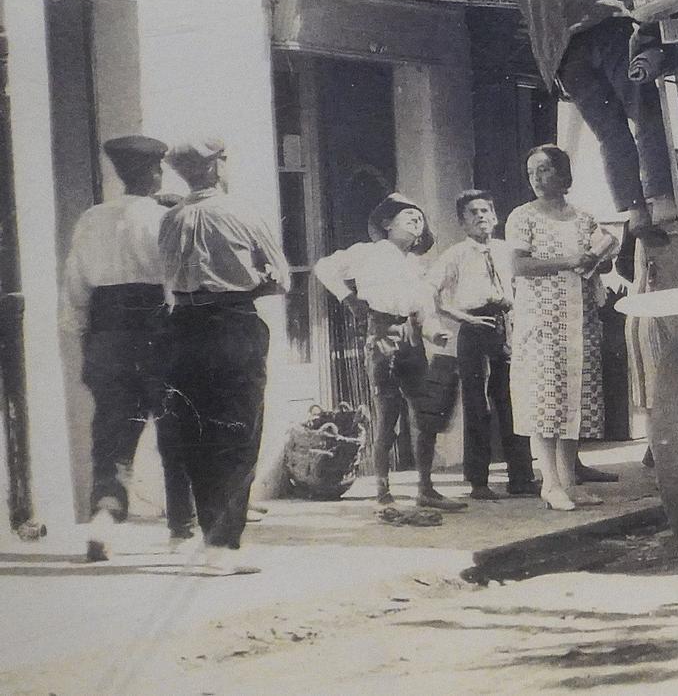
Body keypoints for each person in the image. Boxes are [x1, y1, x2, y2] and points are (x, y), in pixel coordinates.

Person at [494, 0, 678, 236]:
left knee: (610, 133)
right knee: (645, 110)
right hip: (603, 29)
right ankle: (663, 198)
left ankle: (635, 211)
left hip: (562, 57)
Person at [62, 135, 195, 560]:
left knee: (112, 431)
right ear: (155, 172)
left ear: (119, 174)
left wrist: (87, 336)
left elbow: (75, 289)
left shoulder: (91, 219)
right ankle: (181, 530)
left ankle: (104, 517)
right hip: (159, 325)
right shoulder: (167, 218)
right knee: (175, 427)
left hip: (107, 331)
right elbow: (180, 279)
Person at [156, 137, 288, 560]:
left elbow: (168, 275)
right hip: (234, 324)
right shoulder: (242, 213)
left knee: (195, 433)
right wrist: (252, 281)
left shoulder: (171, 218)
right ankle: (223, 544)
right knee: (238, 433)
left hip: (184, 326)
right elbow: (283, 280)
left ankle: (208, 531)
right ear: (215, 167)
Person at [314, 195, 464, 513]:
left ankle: (426, 487)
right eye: (407, 215)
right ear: (387, 224)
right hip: (381, 336)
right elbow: (323, 267)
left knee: (425, 415)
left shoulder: (416, 265)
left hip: (412, 338)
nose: (416, 221)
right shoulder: (368, 253)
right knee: (388, 415)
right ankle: (382, 489)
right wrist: (349, 299)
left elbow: (423, 308)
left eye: (420, 218)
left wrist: (433, 331)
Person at [508, 146, 617, 511]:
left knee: (576, 399)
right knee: (546, 401)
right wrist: (570, 260)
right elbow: (520, 266)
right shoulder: (522, 217)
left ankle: (569, 483)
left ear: (563, 175)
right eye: (531, 172)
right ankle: (549, 483)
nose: (537, 179)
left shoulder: (584, 218)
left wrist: (599, 259)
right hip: (542, 318)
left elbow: (595, 266)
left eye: (544, 171)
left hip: (579, 318)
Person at [428, 191, 534, 499]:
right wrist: (462, 318)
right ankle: (479, 482)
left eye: (485, 210)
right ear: (462, 222)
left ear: (495, 216)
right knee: (478, 406)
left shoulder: (507, 251)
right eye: (472, 213)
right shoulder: (455, 255)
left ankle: (521, 478)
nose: (480, 217)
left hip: (507, 326)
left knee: (513, 401)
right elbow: (430, 292)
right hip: (475, 329)